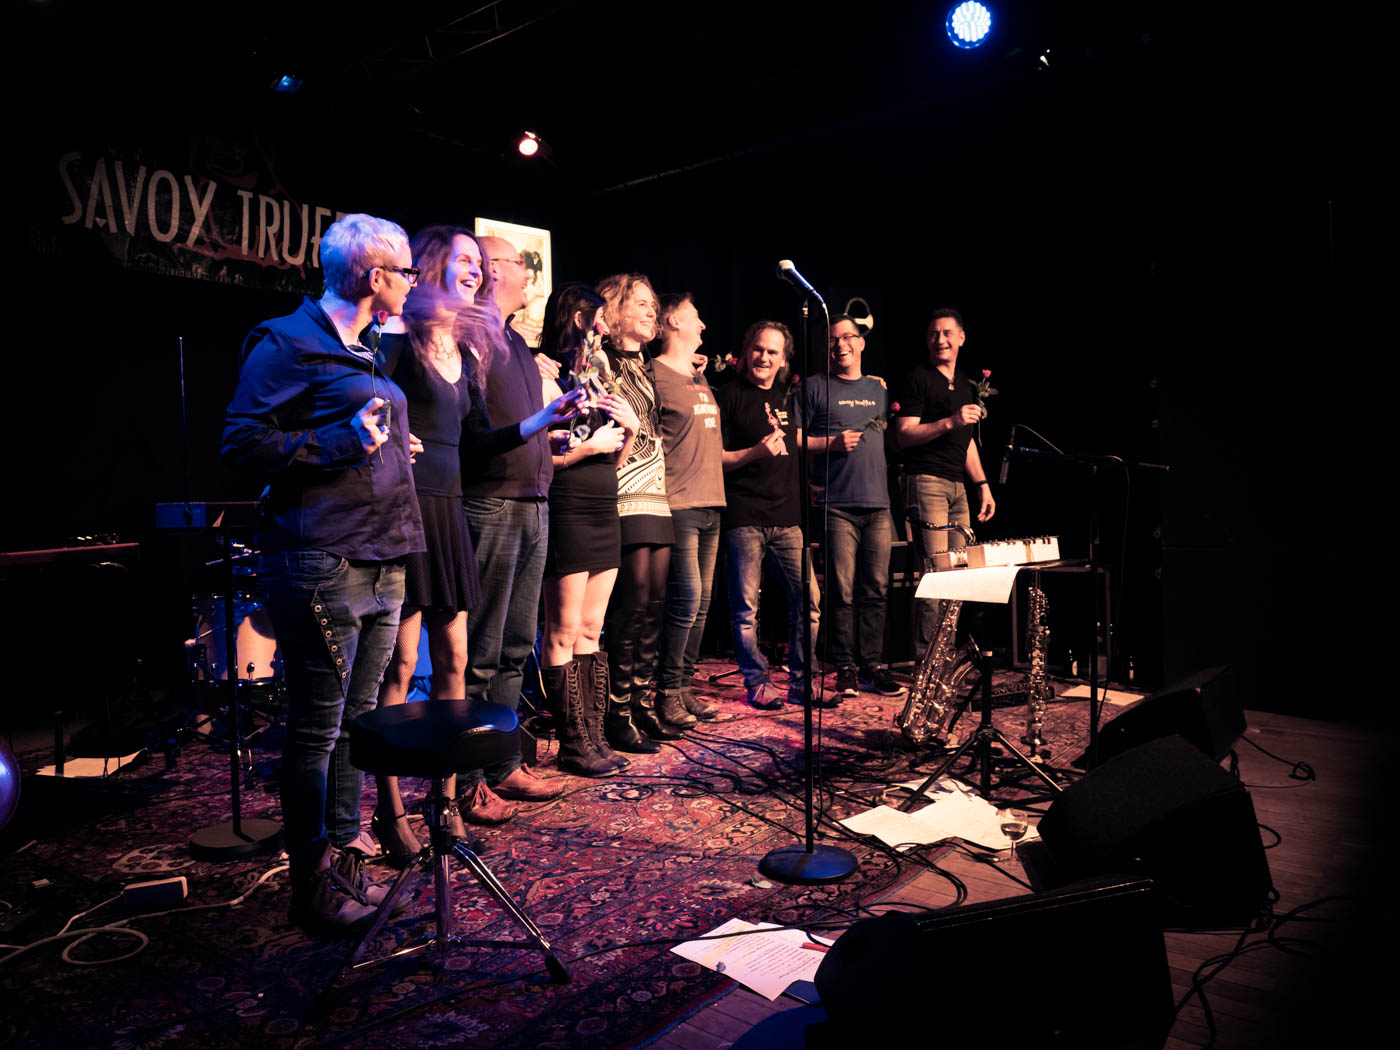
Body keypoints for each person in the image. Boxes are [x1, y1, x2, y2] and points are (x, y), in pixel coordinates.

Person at [221, 213, 423, 933]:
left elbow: (360, 432)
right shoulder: (287, 341)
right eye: (406, 270)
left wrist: (391, 445)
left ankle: (345, 861)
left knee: (356, 723)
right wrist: (339, 441)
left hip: (382, 554)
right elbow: (240, 441)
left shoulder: (363, 349)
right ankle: (311, 884)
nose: (413, 282)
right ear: (375, 276)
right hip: (322, 559)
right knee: (317, 729)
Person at [370, 225, 494, 864]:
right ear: (435, 265)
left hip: (450, 514)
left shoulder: (466, 355)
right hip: (406, 510)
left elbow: (479, 441)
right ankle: (390, 809)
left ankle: (443, 801)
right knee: (399, 665)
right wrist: (395, 437)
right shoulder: (396, 338)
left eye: (480, 263)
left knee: (455, 660)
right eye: (465, 259)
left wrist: (545, 422)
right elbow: (365, 408)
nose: (476, 270)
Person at [456, 235, 587, 824]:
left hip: (534, 501)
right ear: (490, 272)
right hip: (491, 503)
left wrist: (554, 430)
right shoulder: (470, 335)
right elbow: (473, 434)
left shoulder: (514, 340)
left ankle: (503, 763)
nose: (530, 272)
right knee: (481, 653)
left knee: (514, 649)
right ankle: (467, 779)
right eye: (519, 262)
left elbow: (523, 425)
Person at [537, 282, 640, 775]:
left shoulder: (599, 377)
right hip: (568, 506)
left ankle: (595, 738)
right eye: (599, 320)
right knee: (562, 629)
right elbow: (541, 457)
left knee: (591, 628)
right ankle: (574, 743)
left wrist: (630, 432)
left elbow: (612, 459)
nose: (606, 329)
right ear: (580, 320)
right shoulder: (548, 375)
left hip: (603, 504)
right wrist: (588, 448)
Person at [713, 321, 821, 709]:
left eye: (772, 352)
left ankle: (801, 682)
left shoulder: (788, 396)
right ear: (746, 351)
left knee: (809, 600)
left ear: (783, 359)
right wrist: (755, 453)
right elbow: (716, 459)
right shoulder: (729, 395)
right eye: (758, 349)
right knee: (746, 610)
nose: (763, 357)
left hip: (788, 519)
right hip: (745, 517)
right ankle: (757, 681)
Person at [596, 273, 677, 751]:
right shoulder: (603, 360)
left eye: (653, 304)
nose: (652, 312)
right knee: (631, 604)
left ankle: (643, 703)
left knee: (654, 605)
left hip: (656, 491)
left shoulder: (644, 365)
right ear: (616, 309)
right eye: (642, 303)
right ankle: (617, 711)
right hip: (624, 489)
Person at [804, 314, 902, 698]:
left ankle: (872, 667)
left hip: (878, 505)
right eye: (832, 339)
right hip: (836, 505)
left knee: (876, 590)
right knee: (841, 592)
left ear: (862, 343)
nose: (840, 344)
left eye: (847, 337)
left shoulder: (879, 389)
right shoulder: (814, 387)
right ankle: (844, 667)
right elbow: (793, 438)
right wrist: (828, 444)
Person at [894, 308, 997, 652]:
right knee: (935, 574)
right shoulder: (918, 378)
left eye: (947, 333)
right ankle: (927, 661)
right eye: (933, 334)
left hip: (957, 486)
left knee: (957, 576)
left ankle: (944, 656)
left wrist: (982, 485)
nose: (940, 339)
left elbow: (966, 442)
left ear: (961, 338)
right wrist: (950, 421)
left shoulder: (965, 384)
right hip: (926, 481)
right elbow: (904, 434)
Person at [651, 293, 726, 727]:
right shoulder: (654, 374)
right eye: (695, 317)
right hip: (678, 502)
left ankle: (683, 686)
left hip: (711, 500)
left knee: (702, 604)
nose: (703, 325)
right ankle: (665, 692)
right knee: (685, 600)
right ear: (674, 321)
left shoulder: (698, 375)